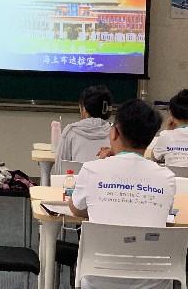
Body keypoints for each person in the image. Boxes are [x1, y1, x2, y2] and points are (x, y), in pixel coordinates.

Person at [70, 99, 175, 289]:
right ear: (151, 138)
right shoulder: (166, 177)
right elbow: (164, 213)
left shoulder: (93, 169)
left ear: (114, 132)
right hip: (153, 282)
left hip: (99, 280)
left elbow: (76, 209)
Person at [53, 85, 113, 175]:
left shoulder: (70, 131)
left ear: (83, 109)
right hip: (106, 183)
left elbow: (59, 169)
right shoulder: (115, 134)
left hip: (75, 183)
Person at [153, 89, 188, 167]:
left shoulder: (166, 135)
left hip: (172, 175)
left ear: (171, 113)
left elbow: (155, 157)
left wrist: (167, 130)